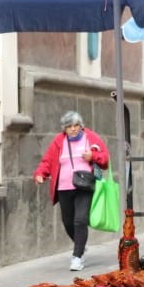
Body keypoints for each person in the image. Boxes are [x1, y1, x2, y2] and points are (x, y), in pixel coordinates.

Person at [33, 111, 110, 272]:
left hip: (84, 186)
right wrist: (40, 173)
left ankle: (77, 257)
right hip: (64, 187)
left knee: (80, 220)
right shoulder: (58, 141)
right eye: (69, 126)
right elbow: (47, 161)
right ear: (64, 129)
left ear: (81, 126)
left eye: (76, 126)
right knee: (68, 222)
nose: (73, 129)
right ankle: (80, 244)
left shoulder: (91, 137)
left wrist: (93, 156)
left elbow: (104, 158)